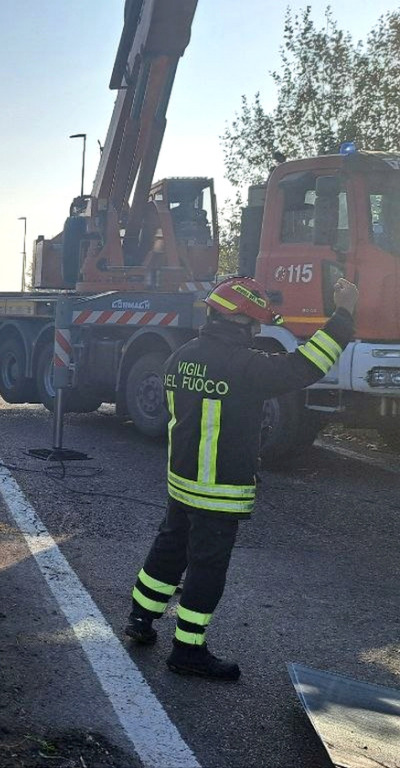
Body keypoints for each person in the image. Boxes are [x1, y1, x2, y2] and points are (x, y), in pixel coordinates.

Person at [123, 276, 359, 680]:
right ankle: (188, 650)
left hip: (182, 480)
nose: (256, 332)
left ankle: (140, 620)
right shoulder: (244, 365)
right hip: (220, 488)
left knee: (170, 547)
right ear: (239, 322)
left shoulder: (180, 356)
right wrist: (343, 315)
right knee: (207, 566)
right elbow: (305, 367)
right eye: (254, 324)